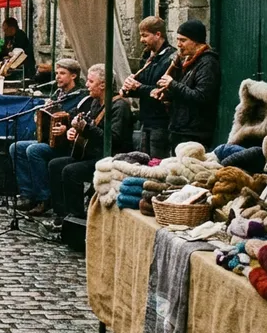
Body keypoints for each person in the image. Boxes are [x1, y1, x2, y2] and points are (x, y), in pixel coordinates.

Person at [48, 64, 133, 227]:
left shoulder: (119, 106)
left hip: (110, 159)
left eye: (90, 81)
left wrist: (86, 129)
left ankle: (77, 218)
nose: (86, 85)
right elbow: (88, 128)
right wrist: (74, 132)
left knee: (71, 171)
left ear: (103, 85)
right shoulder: (94, 103)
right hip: (93, 155)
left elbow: (114, 140)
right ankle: (61, 215)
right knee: (55, 165)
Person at [10, 58, 87, 216]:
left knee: (34, 150)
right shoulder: (57, 94)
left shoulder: (81, 98)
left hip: (68, 146)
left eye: (62, 73)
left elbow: (78, 120)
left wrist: (66, 128)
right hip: (51, 141)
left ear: (73, 76)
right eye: (57, 73)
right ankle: (27, 194)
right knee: (16, 147)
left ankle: (44, 198)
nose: (58, 77)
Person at [155, 19, 221, 149]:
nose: (178, 44)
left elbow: (201, 96)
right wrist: (167, 95)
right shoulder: (188, 62)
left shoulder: (207, 63)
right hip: (180, 129)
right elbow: (183, 92)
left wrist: (172, 84)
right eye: (178, 40)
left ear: (196, 41)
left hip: (195, 133)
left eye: (183, 40)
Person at [121, 17, 177, 158]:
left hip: (161, 122)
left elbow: (160, 91)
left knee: (157, 163)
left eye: (145, 35)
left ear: (158, 34)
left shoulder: (170, 59)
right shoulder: (148, 57)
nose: (141, 40)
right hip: (146, 121)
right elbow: (142, 87)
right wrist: (129, 88)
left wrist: (138, 87)